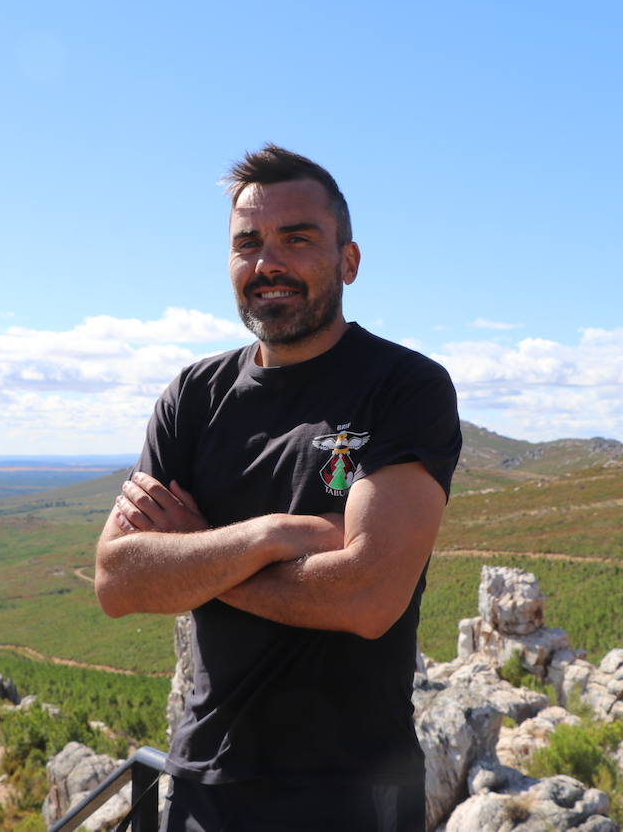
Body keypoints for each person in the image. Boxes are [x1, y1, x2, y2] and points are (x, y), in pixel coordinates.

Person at [95, 144, 461, 831]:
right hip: (206, 784)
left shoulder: (403, 388)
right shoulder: (193, 396)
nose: (268, 263)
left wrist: (196, 557)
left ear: (347, 262)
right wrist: (274, 536)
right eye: (248, 243)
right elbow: (118, 580)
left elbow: (366, 596)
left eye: (297, 239)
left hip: (353, 793)